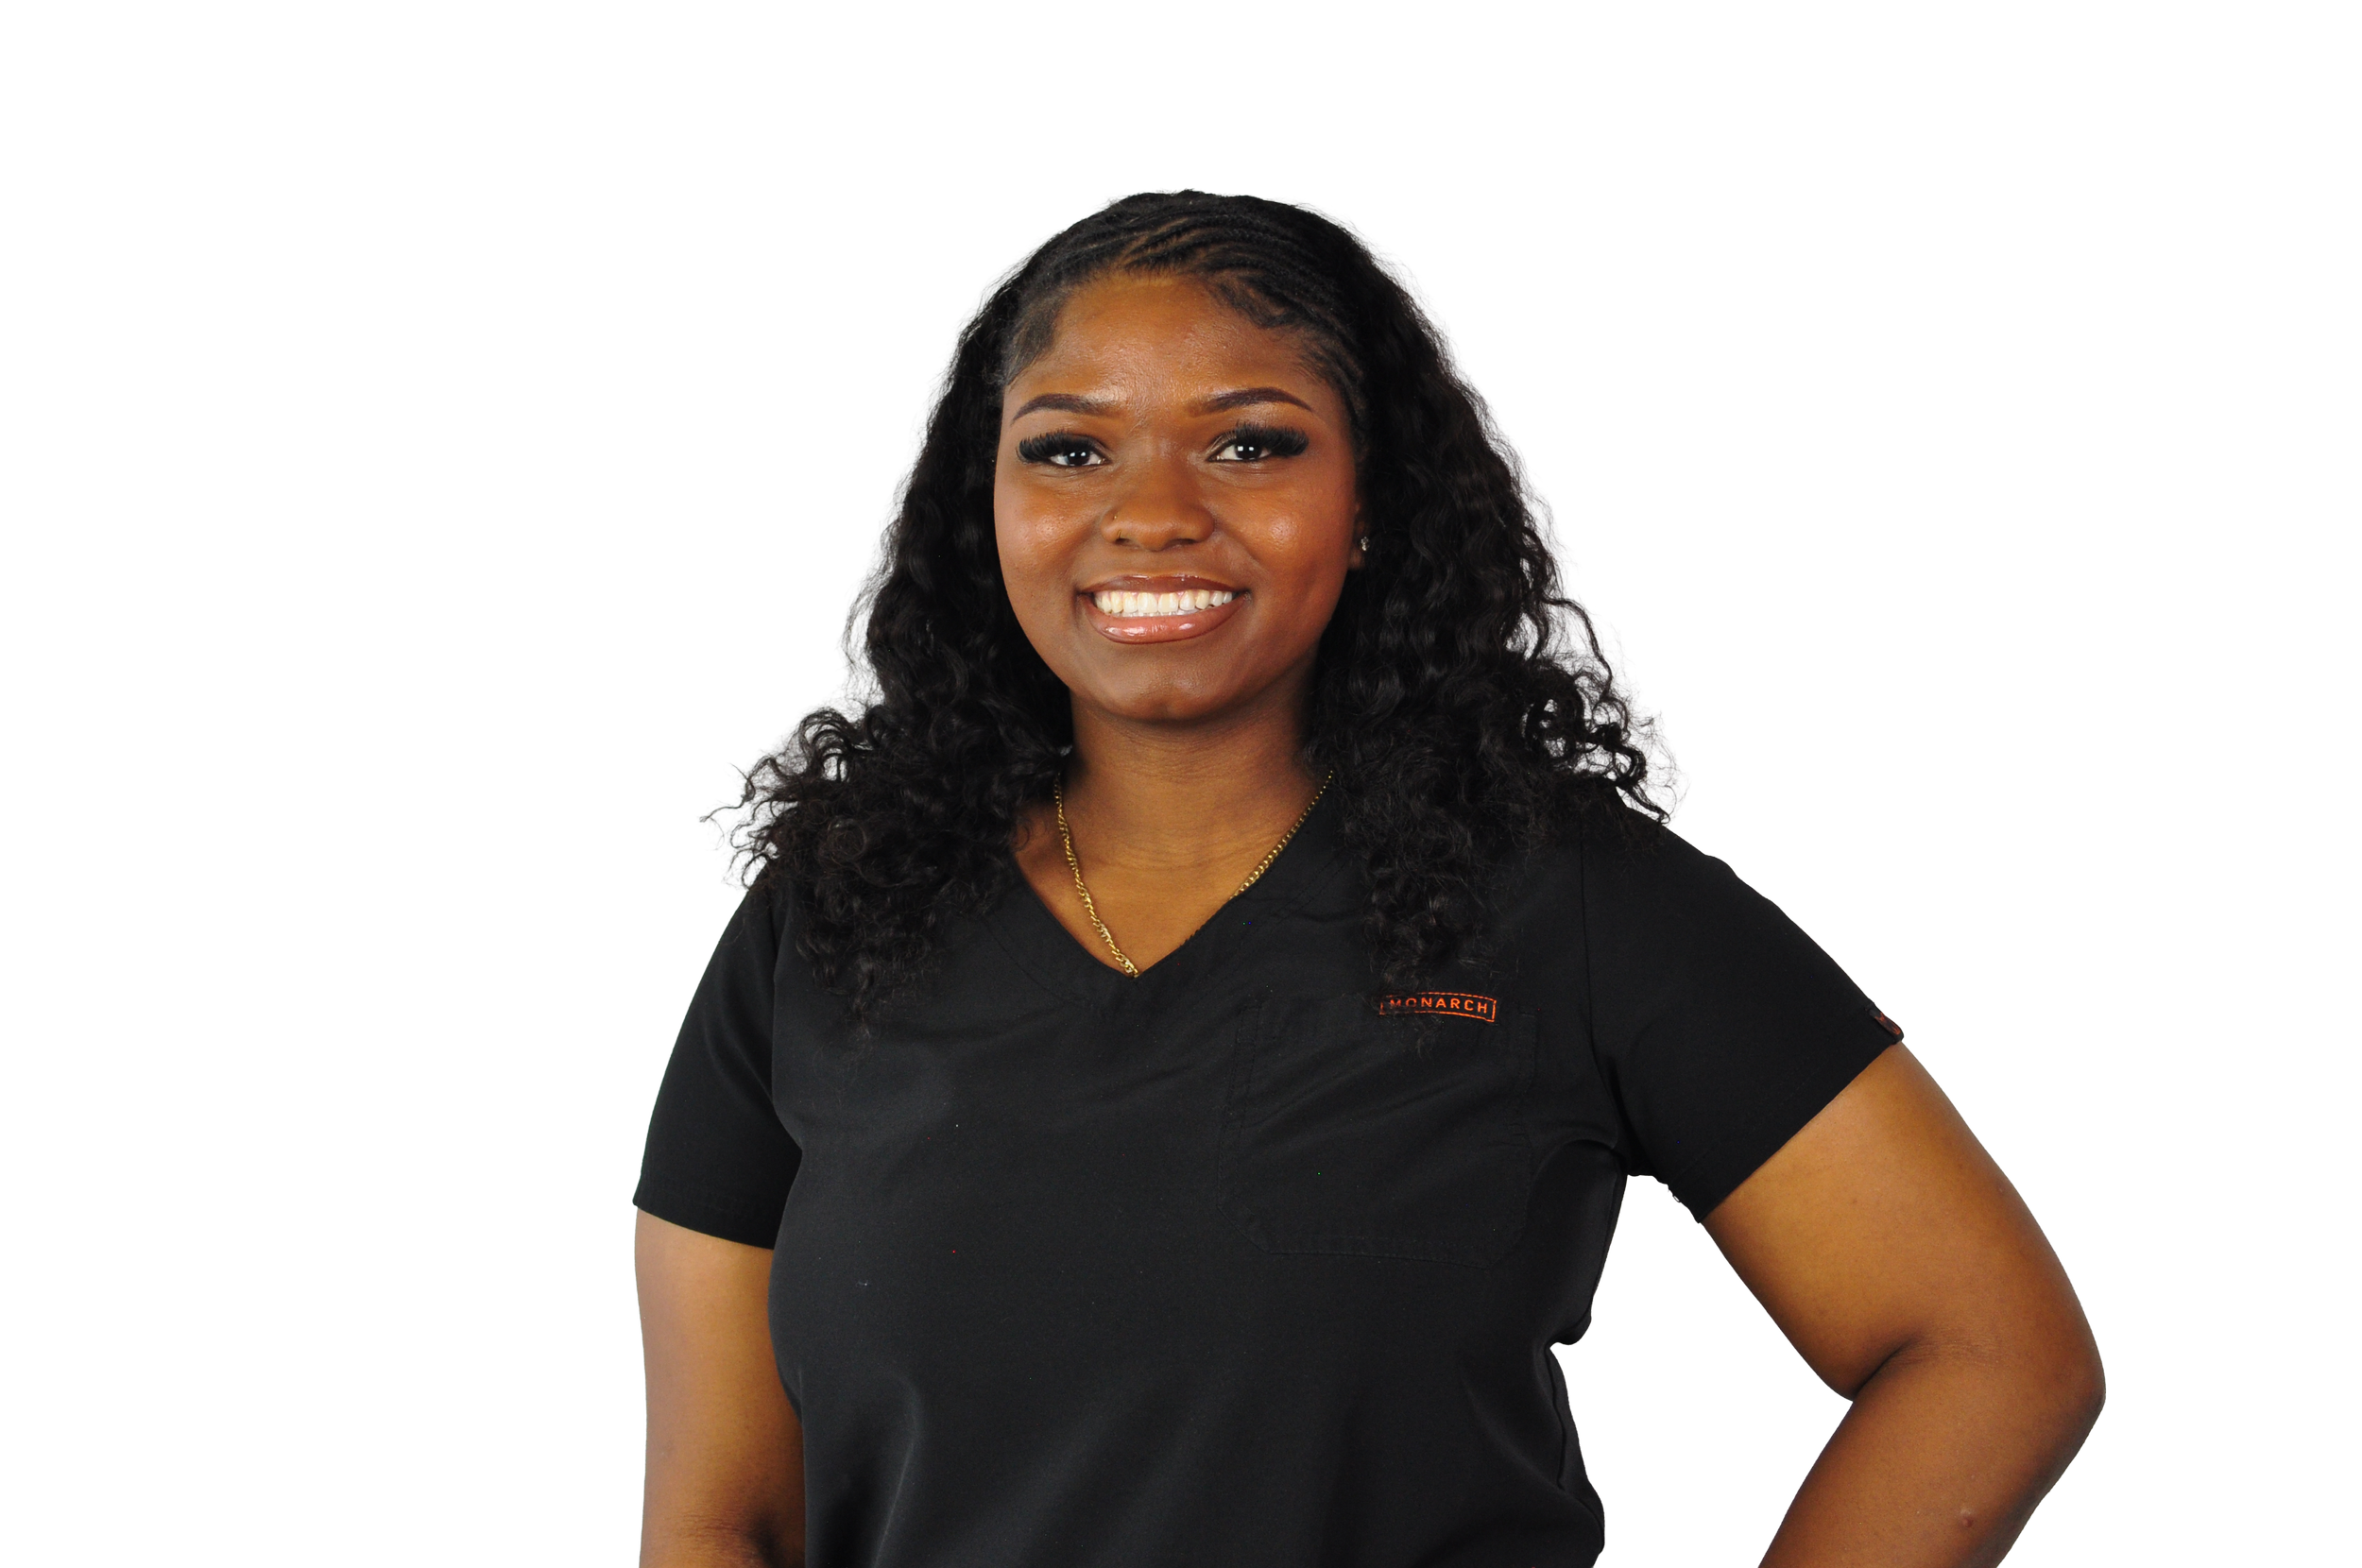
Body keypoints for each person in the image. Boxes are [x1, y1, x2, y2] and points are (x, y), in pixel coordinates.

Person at [633, 190, 2101, 1568]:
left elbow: (1993, 1350)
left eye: (1250, 443)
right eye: (1069, 448)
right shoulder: (833, 922)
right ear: (987, 503)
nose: (1150, 512)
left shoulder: (1570, 900)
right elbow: (718, 1515)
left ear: (1372, 502)